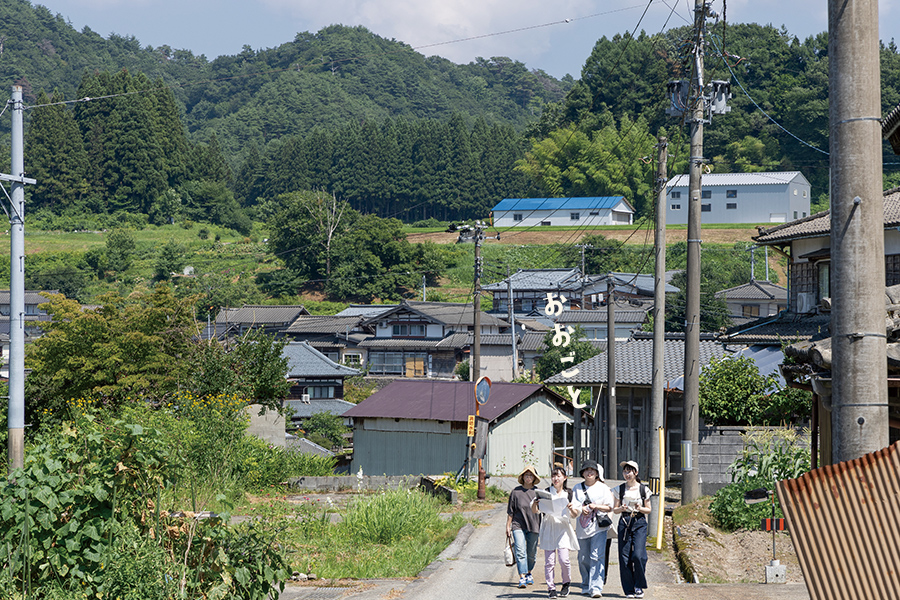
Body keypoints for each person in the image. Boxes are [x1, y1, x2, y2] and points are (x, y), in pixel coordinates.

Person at [531, 463, 579, 598]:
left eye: (558, 476)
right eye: (553, 476)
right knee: (549, 561)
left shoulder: (569, 493)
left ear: (564, 477)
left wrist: (571, 508)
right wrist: (536, 503)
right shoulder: (545, 492)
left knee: (564, 560)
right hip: (548, 527)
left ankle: (566, 583)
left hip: (563, 528)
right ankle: (551, 587)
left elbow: (575, 514)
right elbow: (535, 510)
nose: (555, 478)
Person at [571, 459, 613, 598]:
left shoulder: (603, 488)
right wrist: (581, 509)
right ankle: (585, 584)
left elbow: (609, 507)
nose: (589, 472)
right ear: (582, 473)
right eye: (586, 470)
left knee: (597, 556)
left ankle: (596, 587)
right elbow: (573, 507)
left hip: (599, 528)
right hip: (582, 528)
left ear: (596, 473)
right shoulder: (577, 488)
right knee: (583, 558)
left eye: (592, 470)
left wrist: (597, 506)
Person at [613, 460, 652, 599]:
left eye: (629, 471)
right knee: (624, 558)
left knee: (639, 555)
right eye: (624, 471)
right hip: (624, 521)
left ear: (636, 472)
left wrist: (640, 508)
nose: (626, 474)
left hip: (639, 522)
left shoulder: (643, 489)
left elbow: (649, 509)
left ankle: (639, 585)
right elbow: (615, 509)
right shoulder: (620, 489)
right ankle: (629, 589)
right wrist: (621, 508)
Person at [507, 465, 541, 588]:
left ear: (534, 477)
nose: (528, 477)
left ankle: (529, 572)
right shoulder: (516, 492)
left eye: (531, 475)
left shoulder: (538, 492)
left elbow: (544, 509)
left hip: (534, 525)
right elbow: (511, 511)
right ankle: (522, 576)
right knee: (520, 551)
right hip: (518, 525)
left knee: (531, 553)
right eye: (526, 475)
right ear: (522, 477)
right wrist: (508, 526)